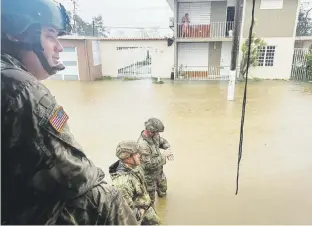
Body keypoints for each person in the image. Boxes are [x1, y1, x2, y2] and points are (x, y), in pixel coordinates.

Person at [1, 0, 138, 224]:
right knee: (105, 199)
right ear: (17, 34)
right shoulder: (20, 86)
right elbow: (74, 175)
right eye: (50, 35)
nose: (59, 47)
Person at [109, 141, 161, 225]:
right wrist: (142, 210)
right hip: (141, 218)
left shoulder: (134, 166)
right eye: (137, 153)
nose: (140, 155)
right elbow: (128, 214)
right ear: (127, 157)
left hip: (147, 210)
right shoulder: (122, 184)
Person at [137, 118, 174, 206]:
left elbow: (162, 141)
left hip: (159, 171)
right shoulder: (142, 145)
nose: (158, 134)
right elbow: (148, 165)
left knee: (163, 190)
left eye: (158, 132)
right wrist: (163, 156)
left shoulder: (155, 135)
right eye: (156, 132)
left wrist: (167, 148)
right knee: (150, 202)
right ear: (150, 131)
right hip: (149, 177)